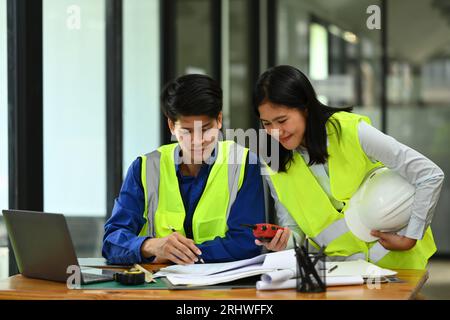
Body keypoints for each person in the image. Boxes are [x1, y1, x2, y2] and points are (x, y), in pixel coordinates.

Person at [253, 65, 445, 269]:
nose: (276, 132)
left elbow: (429, 175)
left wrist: (411, 236)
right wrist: (283, 240)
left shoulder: (351, 132)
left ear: (305, 108)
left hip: (396, 268)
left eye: (282, 120)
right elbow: (294, 229)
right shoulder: (273, 162)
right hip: (341, 274)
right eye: (266, 124)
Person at [103, 74, 265, 265]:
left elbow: (247, 243)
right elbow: (112, 242)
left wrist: (180, 255)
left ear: (219, 120)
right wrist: (152, 246)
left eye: (205, 129)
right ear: (171, 125)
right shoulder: (145, 168)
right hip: (158, 289)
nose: (198, 141)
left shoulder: (244, 164)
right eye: (187, 131)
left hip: (222, 290)